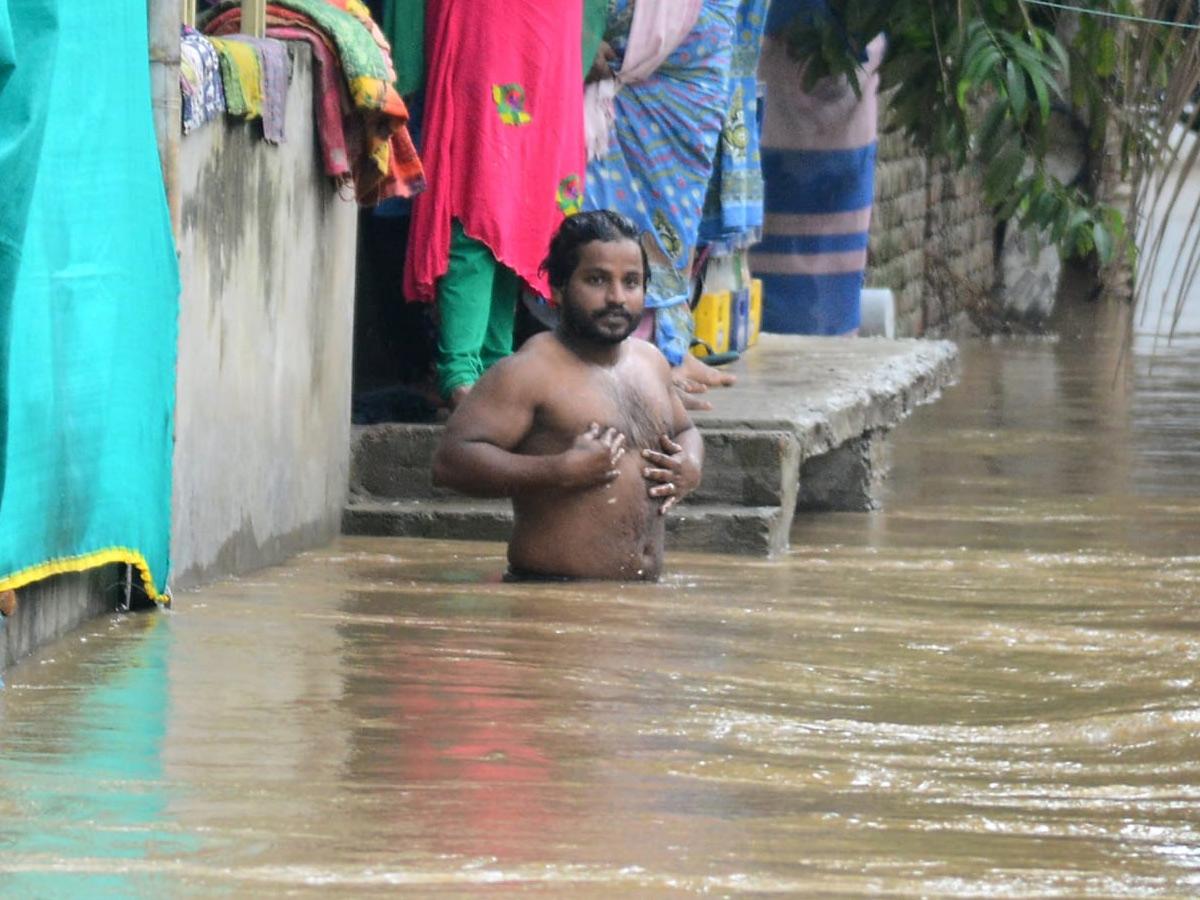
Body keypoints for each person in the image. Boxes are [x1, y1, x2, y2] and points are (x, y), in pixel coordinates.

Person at [432, 210, 704, 581]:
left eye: (631, 282)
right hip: (552, 602)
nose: (616, 298)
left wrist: (690, 464)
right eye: (596, 280)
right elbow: (450, 463)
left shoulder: (651, 362)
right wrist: (557, 470)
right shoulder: (528, 371)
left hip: (641, 607)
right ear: (558, 289)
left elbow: (686, 429)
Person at [403, 0, 587, 408]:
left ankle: (493, 368)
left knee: (524, 204)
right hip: (488, 18)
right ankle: (461, 371)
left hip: (548, 23)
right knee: (478, 184)